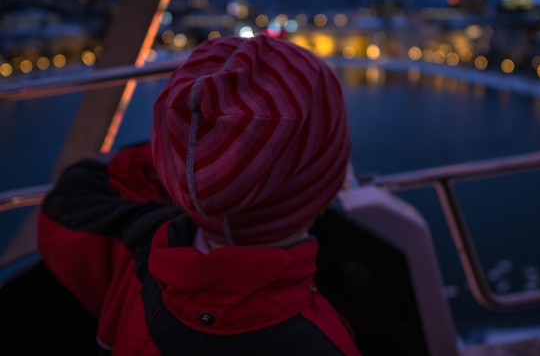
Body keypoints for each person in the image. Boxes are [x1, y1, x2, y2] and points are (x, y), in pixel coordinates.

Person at [37, 34, 361, 355]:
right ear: (327, 180)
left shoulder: (137, 251)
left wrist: (197, 154)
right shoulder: (324, 343)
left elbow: (73, 194)